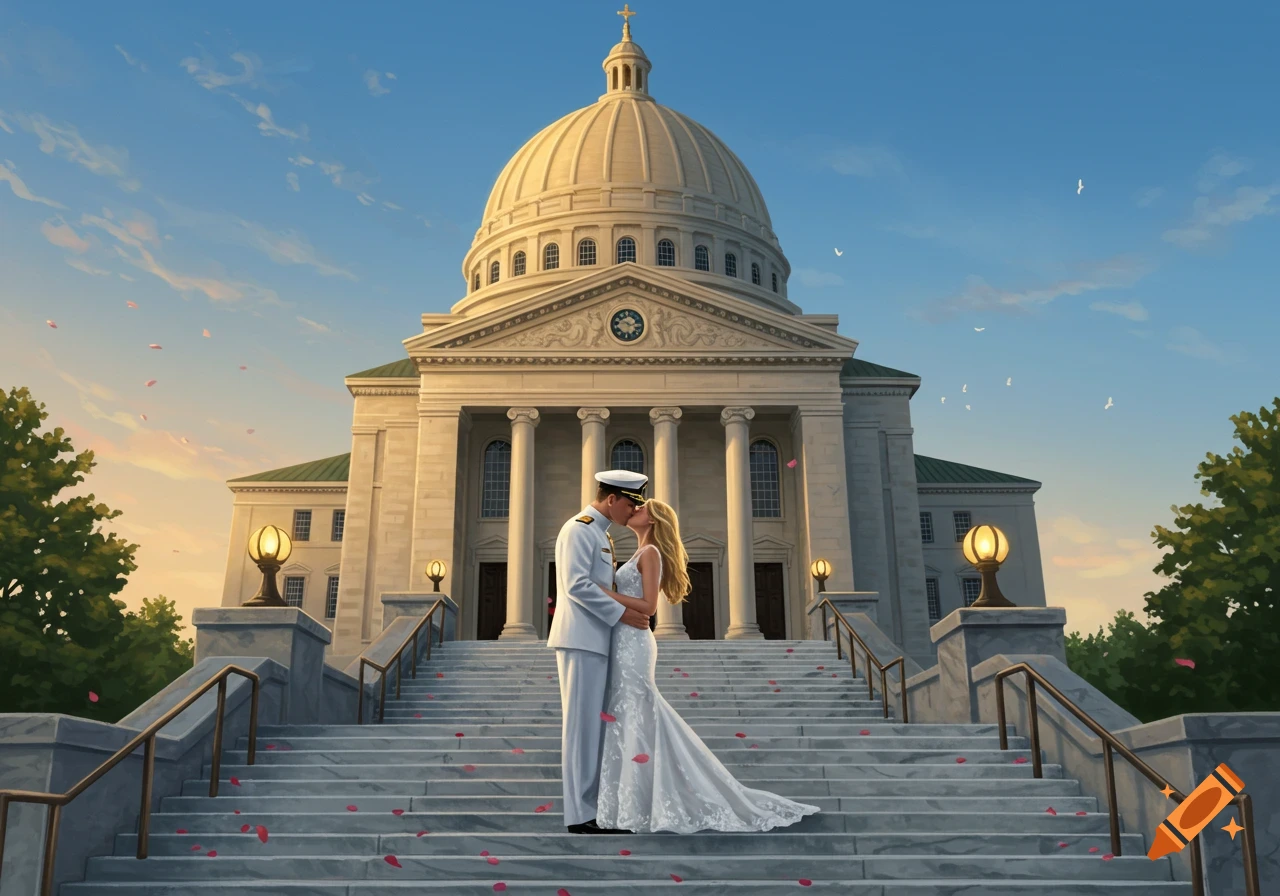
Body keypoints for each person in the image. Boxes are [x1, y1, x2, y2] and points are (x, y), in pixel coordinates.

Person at [594, 497, 821, 833]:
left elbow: (649, 606)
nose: (634, 509)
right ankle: (634, 801)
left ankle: (647, 799)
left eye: (642, 508)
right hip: (625, 639)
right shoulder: (640, 551)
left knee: (639, 710)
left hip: (635, 643)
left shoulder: (651, 552)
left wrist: (603, 593)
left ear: (653, 520)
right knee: (631, 713)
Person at [548, 469, 654, 835]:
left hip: (595, 640)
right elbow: (576, 584)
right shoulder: (579, 529)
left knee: (592, 729)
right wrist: (623, 612)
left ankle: (589, 811)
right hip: (581, 639)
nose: (632, 511)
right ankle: (580, 815)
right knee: (581, 729)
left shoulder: (599, 533)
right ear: (611, 499)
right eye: (629, 504)